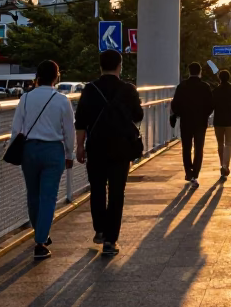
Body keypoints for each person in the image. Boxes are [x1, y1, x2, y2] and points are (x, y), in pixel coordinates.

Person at [75, 49, 144, 257]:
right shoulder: (128, 89)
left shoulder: (90, 89)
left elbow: (81, 121)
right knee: (116, 193)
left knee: (97, 189)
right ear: (119, 66)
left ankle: (100, 230)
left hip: (95, 147)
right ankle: (111, 240)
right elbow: (138, 115)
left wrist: (79, 146)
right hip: (121, 148)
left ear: (100, 66)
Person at [9, 59, 75, 260]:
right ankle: (40, 241)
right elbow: (69, 130)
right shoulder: (62, 100)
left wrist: (15, 149)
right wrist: (69, 154)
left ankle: (40, 234)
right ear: (57, 77)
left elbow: (16, 128)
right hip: (53, 151)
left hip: (29, 150)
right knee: (48, 197)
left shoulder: (26, 99)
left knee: (33, 195)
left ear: (37, 76)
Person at [170, 62, 214, 188]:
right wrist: (205, 114)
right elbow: (211, 105)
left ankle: (188, 172)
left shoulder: (182, 86)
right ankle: (195, 173)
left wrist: (179, 114)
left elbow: (175, 104)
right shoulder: (205, 86)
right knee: (199, 148)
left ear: (189, 71)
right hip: (200, 122)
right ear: (200, 71)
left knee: (186, 147)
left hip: (186, 121)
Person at [211, 69, 231, 179]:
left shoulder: (215, 91)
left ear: (219, 78)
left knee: (220, 144)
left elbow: (211, 106)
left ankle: (222, 164)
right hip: (230, 120)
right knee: (228, 144)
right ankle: (225, 165)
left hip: (218, 120)